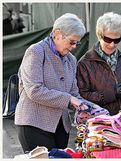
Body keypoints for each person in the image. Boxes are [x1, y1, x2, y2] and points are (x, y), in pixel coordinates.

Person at [14, 13, 107, 153]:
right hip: (34, 125)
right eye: (72, 42)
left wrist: (95, 109)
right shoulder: (36, 52)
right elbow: (34, 90)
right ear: (58, 34)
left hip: (61, 127)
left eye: (77, 43)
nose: (75, 46)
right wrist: (69, 99)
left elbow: (75, 94)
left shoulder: (71, 60)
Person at [76, 12, 121, 115]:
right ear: (100, 35)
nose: (112, 44)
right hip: (100, 123)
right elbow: (82, 97)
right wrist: (112, 93)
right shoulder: (85, 63)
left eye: (117, 40)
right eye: (108, 39)